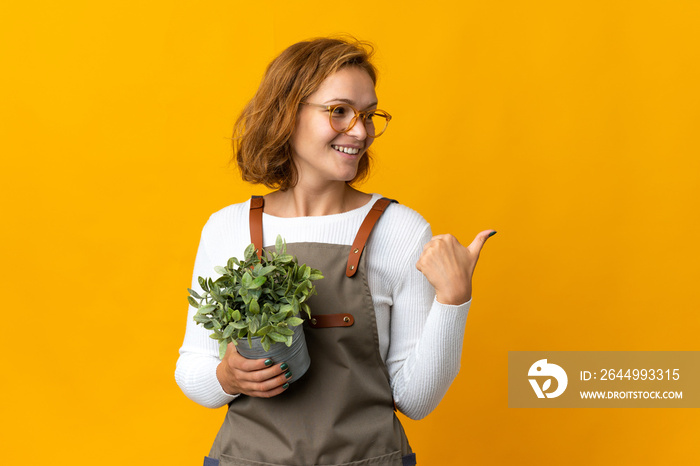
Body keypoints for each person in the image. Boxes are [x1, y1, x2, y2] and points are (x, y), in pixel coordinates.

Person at [175, 36, 495, 466]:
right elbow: (191, 370)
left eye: (367, 115)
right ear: (287, 113)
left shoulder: (400, 230)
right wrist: (226, 375)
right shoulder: (227, 228)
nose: (360, 132)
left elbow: (414, 400)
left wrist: (454, 300)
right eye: (339, 111)